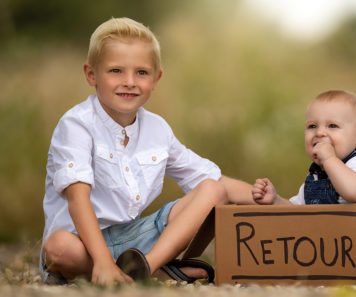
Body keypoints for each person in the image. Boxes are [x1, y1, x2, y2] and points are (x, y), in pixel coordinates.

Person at [40, 17, 253, 286]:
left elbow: (215, 181)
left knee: (213, 189)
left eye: (141, 72)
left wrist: (282, 204)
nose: (129, 82)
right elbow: (78, 200)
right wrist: (104, 260)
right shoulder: (77, 124)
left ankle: (147, 268)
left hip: (134, 243)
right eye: (116, 70)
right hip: (81, 242)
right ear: (91, 74)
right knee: (58, 246)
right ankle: (126, 271)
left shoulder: (157, 129)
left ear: (156, 78)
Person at [252, 90, 356, 205]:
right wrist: (275, 200)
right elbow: (296, 213)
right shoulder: (315, 177)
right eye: (312, 126)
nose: (319, 133)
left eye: (332, 126)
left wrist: (329, 159)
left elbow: (354, 192)